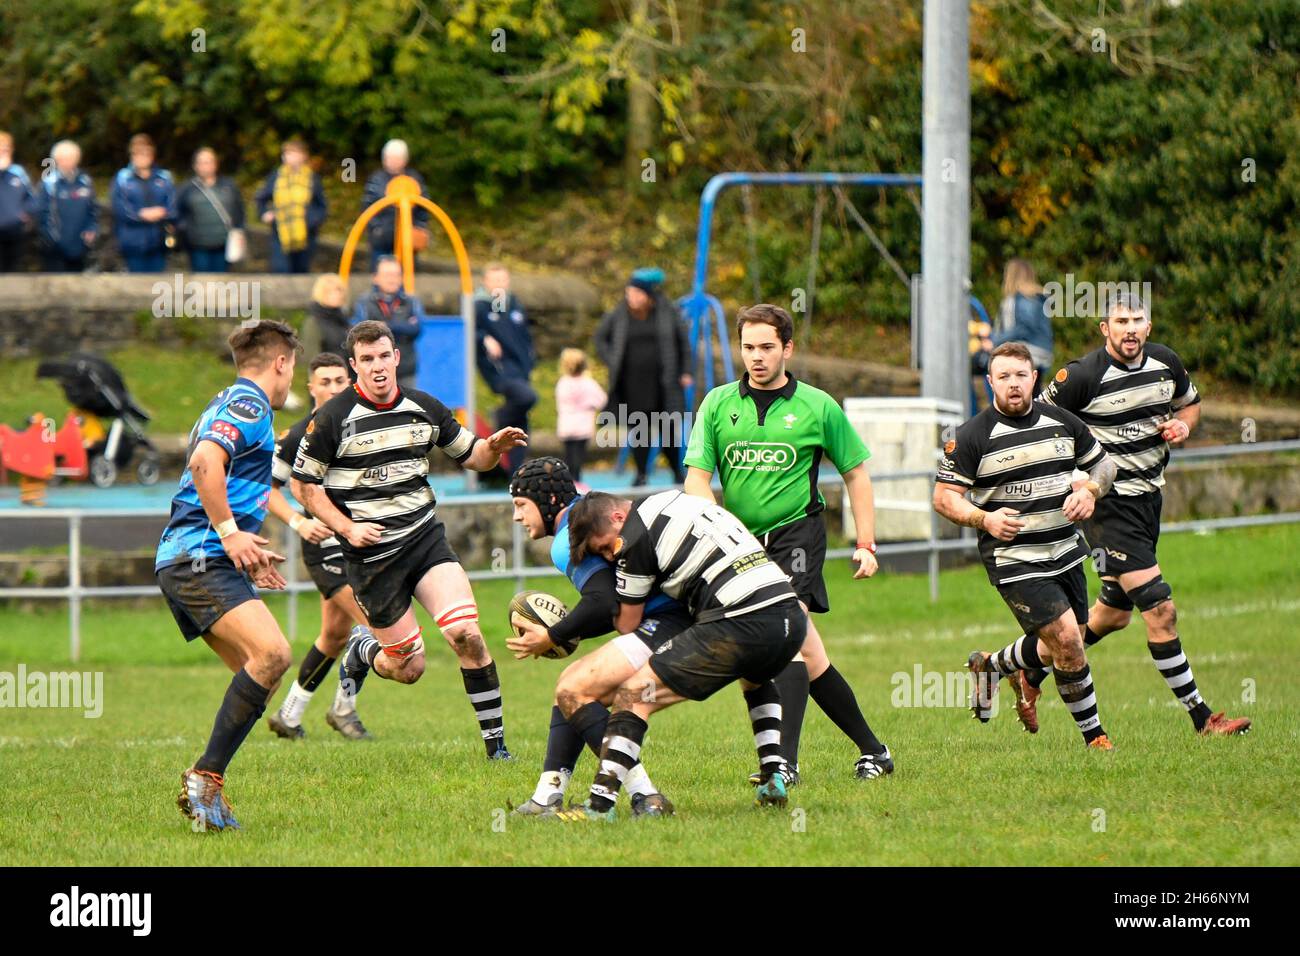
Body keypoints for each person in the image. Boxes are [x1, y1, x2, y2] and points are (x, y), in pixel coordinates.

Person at [976, 293, 1251, 738]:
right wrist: (1074, 479)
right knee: (1160, 609)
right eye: (1120, 320)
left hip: (1147, 502)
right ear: (1104, 328)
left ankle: (1004, 666)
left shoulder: (1166, 363)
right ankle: (1204, 720)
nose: (1129, 328)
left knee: (1109, 618)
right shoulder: (1082, 375)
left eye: (1137, 320)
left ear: (1149, 326)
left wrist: (1184, 424)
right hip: (1106, 507)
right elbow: (1043, 419)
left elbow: (1191, 403)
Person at [289, 320, 528, 760]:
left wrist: (493, 447)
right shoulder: (332, 418)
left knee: (466, 634)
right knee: (407, 667)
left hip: (424, 542)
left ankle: (497, 749)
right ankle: (363, 650)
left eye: (384, 356)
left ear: (396, 357)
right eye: (366, 359)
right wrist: (346, 528)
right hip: (372, 559)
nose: (377, 367)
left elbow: (471, 455)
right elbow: (303, 487)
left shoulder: (424, 406)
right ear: (354, 364)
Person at [684, 303, 893, 783]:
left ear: (788, 349)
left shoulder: (818, 406)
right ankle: (875, 751)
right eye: (748, 347)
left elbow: (856, 474)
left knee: (786, 638)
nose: (756, 357)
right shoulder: (717, 403)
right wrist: (716, 528)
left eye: (766, 347)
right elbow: (696, 479)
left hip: (797, 535)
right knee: (810, 656)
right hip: (739, 544)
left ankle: (784, 765)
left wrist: (866, 542)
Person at [553, 490, 804, 821]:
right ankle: (773, 780)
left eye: (604, 546)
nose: (609, 557)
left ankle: (599, 807)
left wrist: (575, 628)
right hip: (789, 615)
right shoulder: (678, 500)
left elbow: (628, 622)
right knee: (755, 676)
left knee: (632, 693)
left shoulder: (632, 536)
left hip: (740, 621)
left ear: (617, 518)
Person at [934, 342, 1119, 749]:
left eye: (1021, 375)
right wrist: (984, 518)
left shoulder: (1063, 422)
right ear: (989, 382)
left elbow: (1105, 465)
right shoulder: (971, 437)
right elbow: (944, 497)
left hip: (1066, 551)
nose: (1013, 385)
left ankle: (992, 666)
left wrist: (1090, 489)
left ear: (1034, 379)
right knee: (1068, 641)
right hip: (1014, 558)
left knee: (1064, 646)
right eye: (1003, 377)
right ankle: (1096, 739)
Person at [155, 320, 302, 831]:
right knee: (273, 654)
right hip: (198, 554)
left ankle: (208, 796)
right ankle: (205, 778)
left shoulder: (228, 399)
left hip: (195, 556)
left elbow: (223, 474)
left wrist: (243, 549)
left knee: (256, 671)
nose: (291, 383)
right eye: (293, 369)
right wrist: (230, 534)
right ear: (281, 362)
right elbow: (203, 463)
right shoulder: (250, 405)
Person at [506, 457, 680, 817]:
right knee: (572, 686)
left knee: (575, 688)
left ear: (547, 501)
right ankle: (546, 797)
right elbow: (613, 605)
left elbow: (602, 603)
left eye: (521, 505)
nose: (516, 517)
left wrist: (553, 635)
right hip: (672, 617)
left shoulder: (568, 537)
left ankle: (645, 796)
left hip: (668, 623)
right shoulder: (588, 512)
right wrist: (569, 634)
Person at [264, 353, 375, 741]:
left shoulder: (361, 427)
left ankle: (289, 715)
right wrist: (299, 521)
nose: (331, 388)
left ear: (351, 382)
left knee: (334, 636)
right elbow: (268, 490)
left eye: (339, 381)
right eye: (323, 381)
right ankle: (344, 710)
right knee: (374, 623)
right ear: (310, 387)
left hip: (357, 541)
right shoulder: (296, 435)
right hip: (325, 545)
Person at [594, 267, 692, 484]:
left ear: (648, 296)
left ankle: (677, 471)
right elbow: (600, 339)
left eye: (637, 294)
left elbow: (682, 343)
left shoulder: (667, 312)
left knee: (667, 427)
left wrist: (686, 371)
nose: (632, 298)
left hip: (663, 381)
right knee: (639, 430)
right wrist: (612, 360)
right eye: (629, 293)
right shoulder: (619, 314)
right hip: (632, 382)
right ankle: (641, 473)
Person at [474, 263, 536, 474]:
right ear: (486, 282)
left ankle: (516, 474)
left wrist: (529, 360)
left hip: (521, 369)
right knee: (528, 397)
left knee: (521, 424)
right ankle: (500, 416)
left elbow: (524, 336)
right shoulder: (480, 305)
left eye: (503, 280)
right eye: (495, 280)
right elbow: (469, 331)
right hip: (500, 371)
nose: (500, 284)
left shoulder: (513, 304)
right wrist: (485, 338)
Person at [352, 255, 425, 391]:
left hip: (405, 368)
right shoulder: (365, 302)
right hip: (374, 369)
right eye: (387, 274)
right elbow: (362, 331)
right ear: (376, 277)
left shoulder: (411, 301)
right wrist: (402, 327)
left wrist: (385, 326)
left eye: (396, 275)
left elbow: (416, 329)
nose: (392, 279)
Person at [255, 137, 326, 274]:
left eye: (292, 153)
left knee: (301, 272)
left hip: (305, 236)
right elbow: (261, 199)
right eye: (286, 153)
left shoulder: (312, 178)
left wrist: (311, 221)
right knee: (281, 271)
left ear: (303, 156)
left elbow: (321, 206)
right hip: (280, 233)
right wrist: (265, 213)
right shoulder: (276, 176)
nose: (288, 157)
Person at [110, 133, 175, 273]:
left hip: (159, 241)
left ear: (152, 153)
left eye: (146, 152)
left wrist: (162, 213)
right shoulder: (122, 178)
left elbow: (172, 205)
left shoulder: (164, 177)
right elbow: (120, 208)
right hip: (132, 242)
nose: (142, 156)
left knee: (157, 285)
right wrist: (141, 215)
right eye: (137, 152)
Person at [362, 139, 430, 271]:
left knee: (408, 274)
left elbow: (424, 207)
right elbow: (367, 207)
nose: (393, 161)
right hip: (382, 239)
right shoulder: (376, 179)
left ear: (405, 160)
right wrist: (377, 229)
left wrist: (420, 227)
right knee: (381, 272)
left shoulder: (415, 179)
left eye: (397, 158)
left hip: (408, 239)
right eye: (390, 158)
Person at [175, 147, 245, 273]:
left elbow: (239, 211)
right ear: (195, 166)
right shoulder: (187, 189)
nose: (205, 166)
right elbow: (177, 212)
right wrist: (186, 231)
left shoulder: (229, 186)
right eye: (201, 162)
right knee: (201, 283)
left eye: (208, 161)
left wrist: (239, 231)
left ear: (215, 164)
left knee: (221, 282)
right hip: (197, 246)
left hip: (224, 245)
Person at [989, 259, 1053, 394]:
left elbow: (1022, 328)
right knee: (1033, 394)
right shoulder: (1038, 298)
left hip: (1025, 352)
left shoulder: (1021, 299)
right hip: (1041, 353)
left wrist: (994, 340)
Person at [34, 140, 98, 273]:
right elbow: (42, 213)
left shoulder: (85, 181)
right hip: (55, 250)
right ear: (56, 160)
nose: (66, 162)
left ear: (77, 159)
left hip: (80, 247)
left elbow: (93, 210)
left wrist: (91, 229)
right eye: (62, 159)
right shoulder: (48, 183)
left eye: (70, 158)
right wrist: (52, 239)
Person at [555, 348, 606, 480]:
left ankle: (569, 481)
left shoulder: (563, 383)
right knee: (579, 457)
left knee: (568, 457)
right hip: (583, 425)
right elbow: (602, 400)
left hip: (566, 425)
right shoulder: (588, 383)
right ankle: (577, 481)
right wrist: (590, 405)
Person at [0, 132, 34, 271]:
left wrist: (25, 212)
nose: (3, 152)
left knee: (14, 274)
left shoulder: (19, 173)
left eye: (6, 148)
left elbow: (31, 199)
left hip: (15, 233)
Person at [308, 272, 352, 359]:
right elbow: (311, 356)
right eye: (330, 291)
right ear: (321, 293)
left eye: (340, 290)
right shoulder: (314, 321)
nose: (338, 295)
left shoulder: (342, 317)